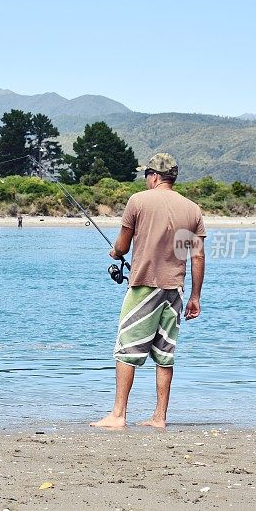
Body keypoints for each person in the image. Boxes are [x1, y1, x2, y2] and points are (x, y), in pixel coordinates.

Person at [92, 153, 206, 429]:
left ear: (154, 176)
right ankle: (159, 417)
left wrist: (115, 252)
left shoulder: (138, 201)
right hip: (175, 290)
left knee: (126, 348)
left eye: (146, 176)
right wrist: (194, 296)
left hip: (144, 285)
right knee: (165, 353)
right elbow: (197, 257)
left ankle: (118, 414)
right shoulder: (192, 209)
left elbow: (122, 246)